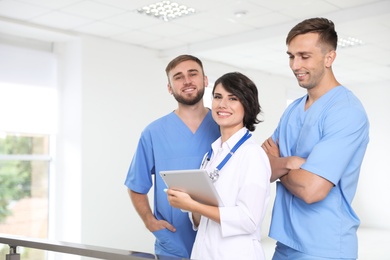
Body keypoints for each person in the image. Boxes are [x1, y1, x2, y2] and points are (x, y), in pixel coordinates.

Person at [261, 17, 370, 260]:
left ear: (329, 58)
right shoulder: (293, 110)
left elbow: (312, 190)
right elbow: (260, 168)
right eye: (291, 56)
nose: (295, 65)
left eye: (304, 56)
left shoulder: (346, 111)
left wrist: (278, 163)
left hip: (325, 247)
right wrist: (291, 163)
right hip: (285, 243)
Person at [166, 72, 271, 260]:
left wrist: (193, 204)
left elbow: (248, 220)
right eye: (217, 97)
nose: (222, 104)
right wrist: (189, 203)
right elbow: (200, 220)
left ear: (247, 105)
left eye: (233, 98)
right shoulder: (212, 154)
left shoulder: (252, 154)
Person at [124, 54, 220, 258]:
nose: (187, 81)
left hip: (218, 243)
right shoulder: (154, 133)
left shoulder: (223, 127)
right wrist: (149, 221)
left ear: (205, 80)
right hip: (174, 245)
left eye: (193, 74)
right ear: (170, 88)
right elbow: (135, 185)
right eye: (178, 77)